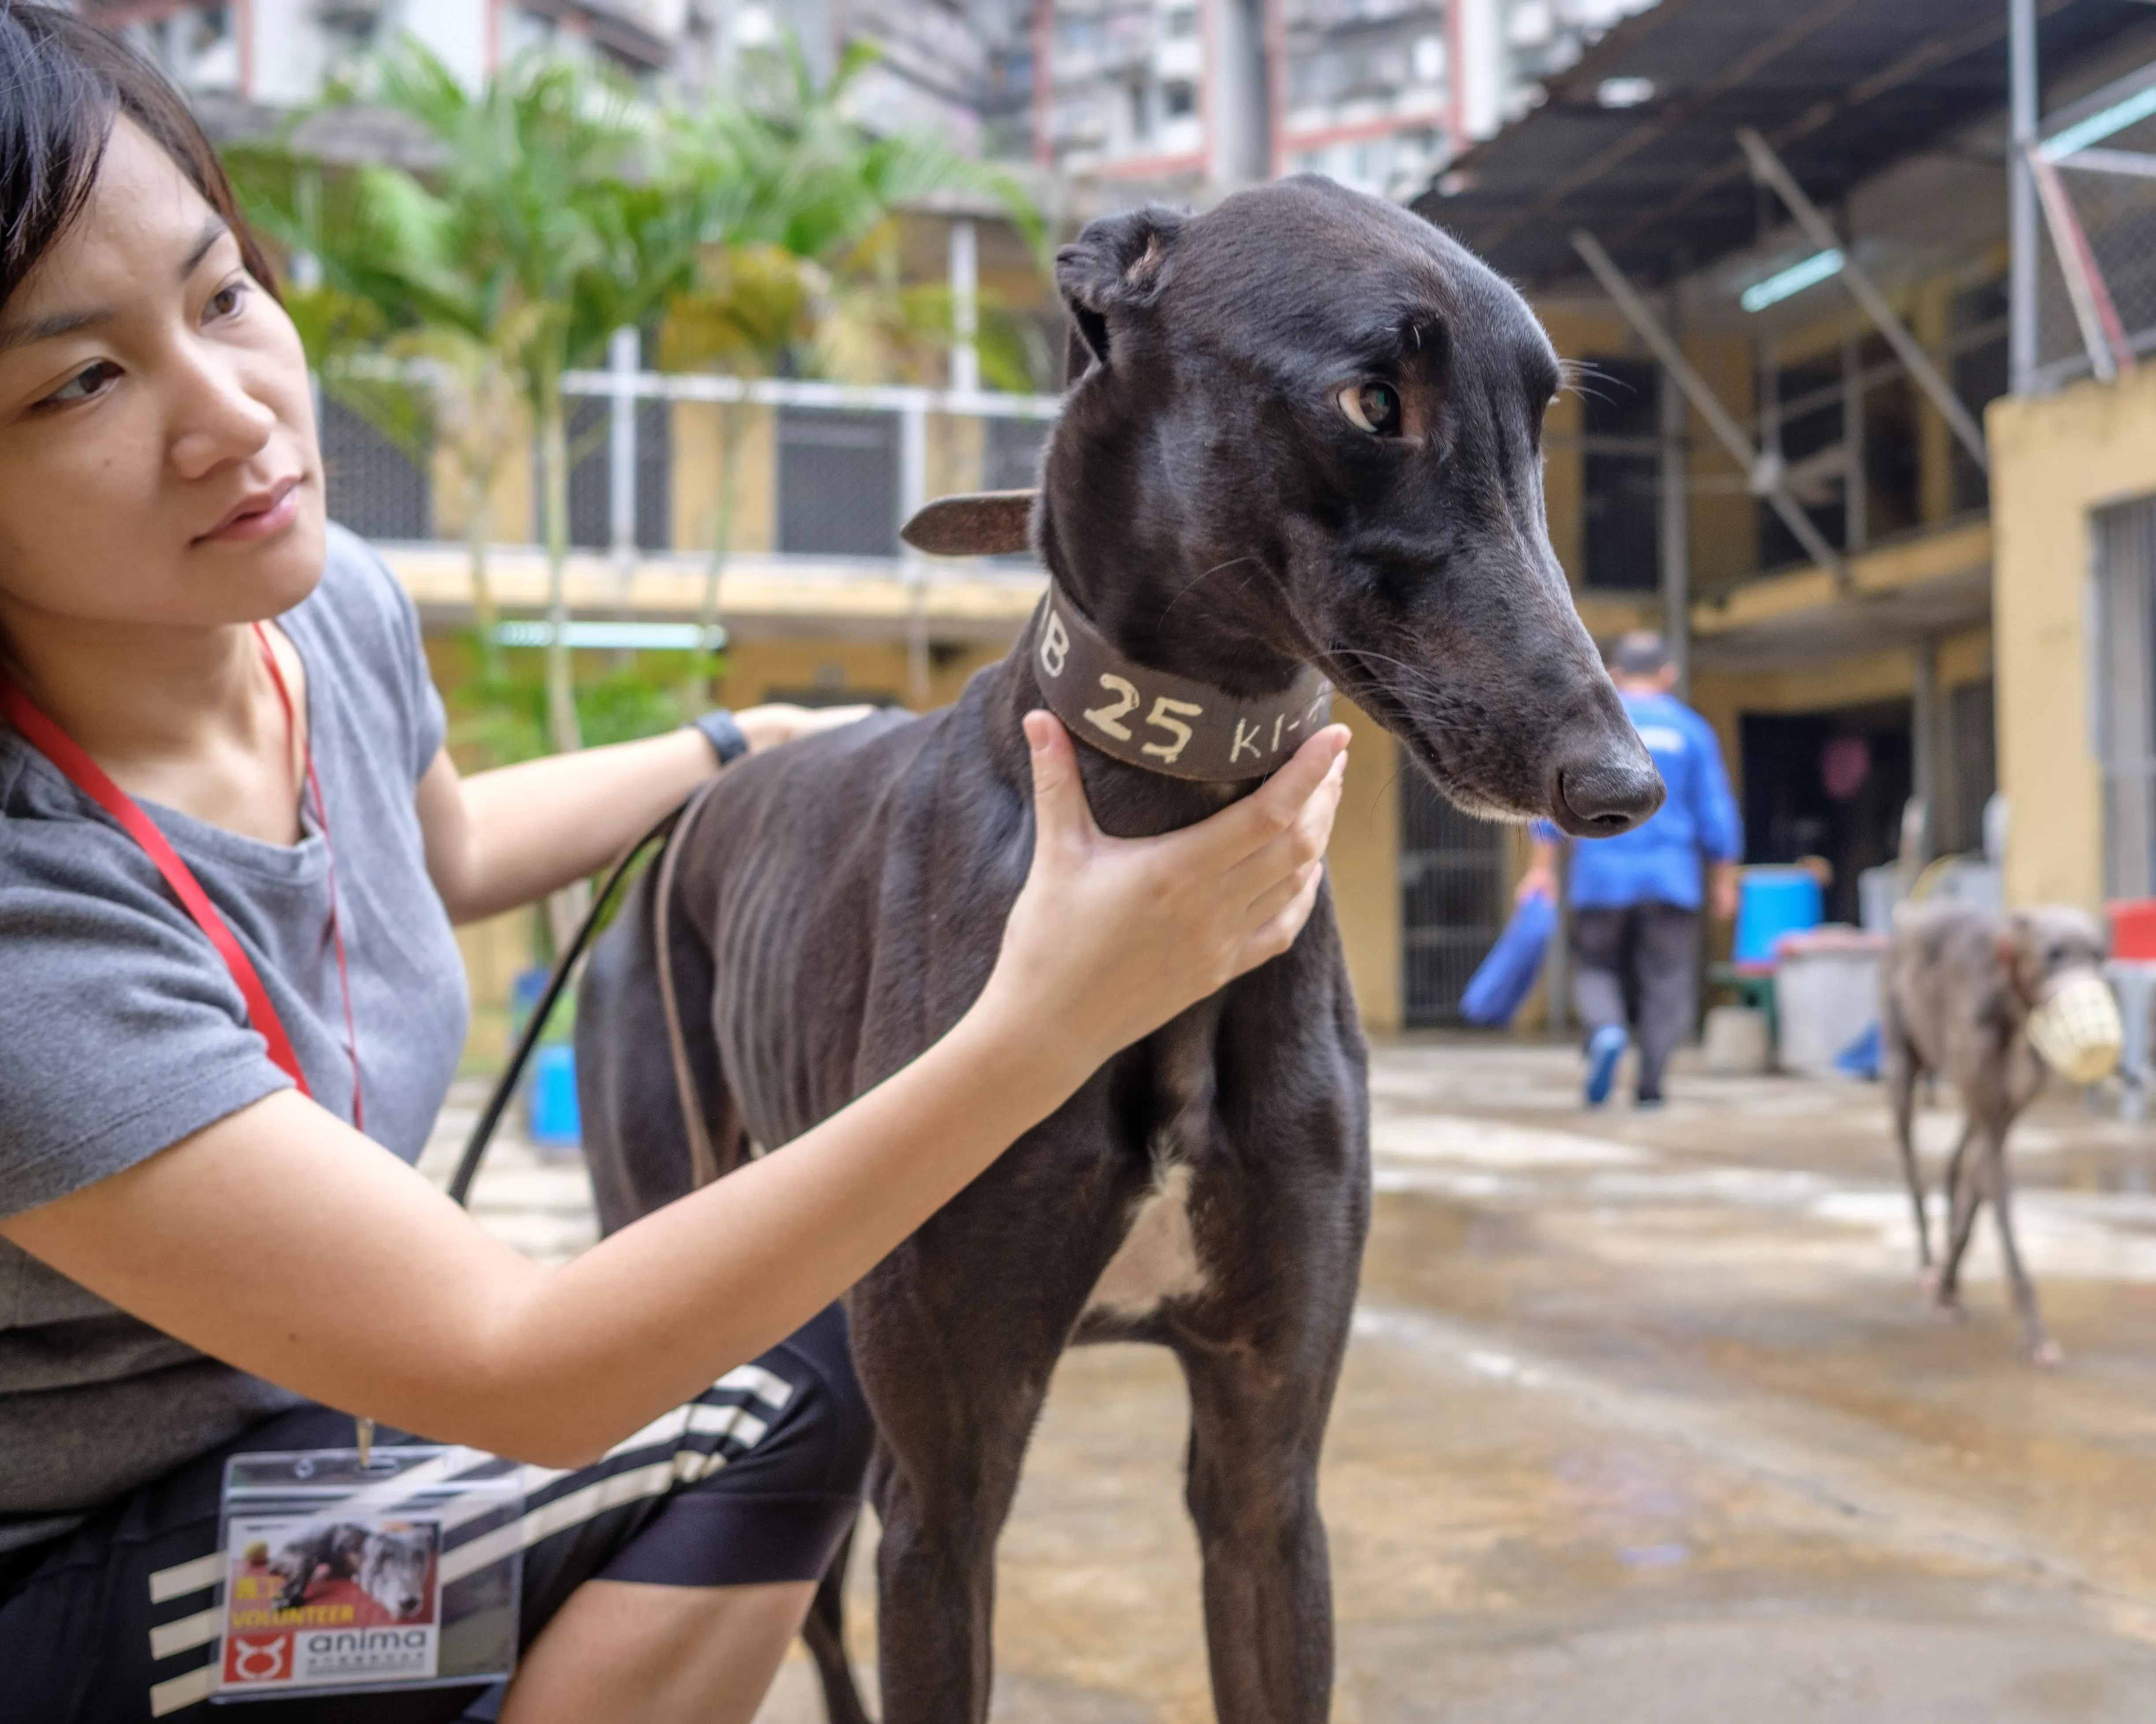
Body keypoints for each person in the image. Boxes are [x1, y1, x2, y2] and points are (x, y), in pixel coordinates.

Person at [0, 10, 1349, 1720]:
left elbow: (446, 844)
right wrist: (1054, 1018)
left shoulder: (315, 614)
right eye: (80, 380)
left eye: (219, 296)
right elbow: (528, 1374)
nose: (229, 417)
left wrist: (735, 745)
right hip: (65, 1584)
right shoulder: (25, 924)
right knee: (775, 1394)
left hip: (291, 1463)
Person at [1515, 630, 1740, 1109]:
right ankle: (1650, 1086)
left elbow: (1552, 805)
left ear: (1613, 675)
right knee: (1666, 983)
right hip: (1671, 880)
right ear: (1668, 674)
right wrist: (1724, 880)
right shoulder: (1691, 731)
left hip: (1601, 878)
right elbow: (1716, 812)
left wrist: (1541, 870)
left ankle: (1607, 1031)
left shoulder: (1591, 728)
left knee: (1595, 968)